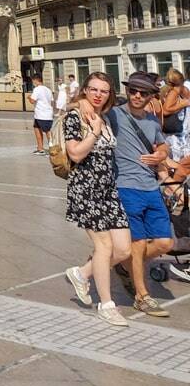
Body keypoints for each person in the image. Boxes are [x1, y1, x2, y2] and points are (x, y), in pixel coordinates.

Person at [62, 72, 134, 327]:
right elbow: (76, 154)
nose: (97, 94)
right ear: (85, 89)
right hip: (86, 190)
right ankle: (107, 305)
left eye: (103, 91)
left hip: (108, 191)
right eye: (93, 89)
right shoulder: (75, 117)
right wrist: (93, 132)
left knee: (124, 248)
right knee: (104, 247)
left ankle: (81, 274)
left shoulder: (105, 116)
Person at [107, 72, 173, 318]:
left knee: (165, 243)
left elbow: (162, 143)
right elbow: (84, 106)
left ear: (150, 96)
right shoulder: (114, 114)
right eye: (133, 90)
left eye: (143, 93)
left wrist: (162, 154)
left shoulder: (153, 121)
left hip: (151, 187)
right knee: (137, 243)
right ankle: (142, 296)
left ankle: (117, 261)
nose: (136, 96)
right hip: (126, 186)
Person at [28, 74, 54, 155]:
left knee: (47, 131)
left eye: (33, 81)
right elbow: (51, 100)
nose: (33, 82)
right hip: (42, 114)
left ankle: (53, 149)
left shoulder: (37, 89)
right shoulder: (48, 90)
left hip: (42, 114)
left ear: (36, 80)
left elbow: (32, 101)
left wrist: (29, 97)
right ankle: (40, 148)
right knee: (37, 129)